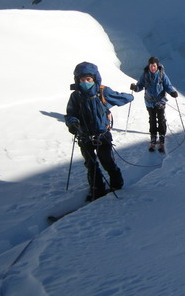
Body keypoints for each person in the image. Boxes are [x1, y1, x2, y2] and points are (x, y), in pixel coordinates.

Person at [65, 62, 134, 201]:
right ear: (77, 80)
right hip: (84, 136)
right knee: (91, 165)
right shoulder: (76, 96)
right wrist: (72, 124)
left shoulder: (103, 92)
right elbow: (70, 114)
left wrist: (128, 96)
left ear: (94, 78)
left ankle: (117, 184)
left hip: (102, 135)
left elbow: (124, 98)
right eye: (82, 80)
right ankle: (97, 190)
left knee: (106, 161)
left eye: (88, 79)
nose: (85, 82)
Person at [130, 57, 178, 153]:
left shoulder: (161, 74)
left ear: (157, 65)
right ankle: (153, 137)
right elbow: (140, 85)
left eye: (154, 66)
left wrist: (172, 92)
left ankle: (161, 137)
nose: (152, 68)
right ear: (149, 66)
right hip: (149, 102)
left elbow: (168, 86)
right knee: (152, 119)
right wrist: (135, 88)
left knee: (160, 119)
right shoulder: (145, 75)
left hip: (160, 101)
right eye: (151, 66)